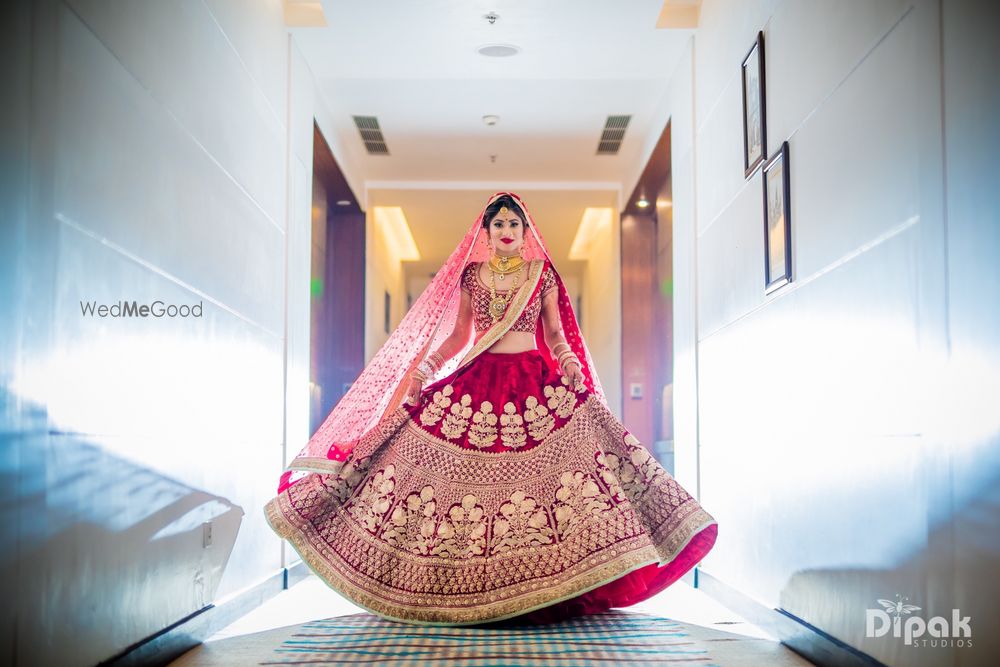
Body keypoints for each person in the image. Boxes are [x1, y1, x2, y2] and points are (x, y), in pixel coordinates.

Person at [264, 191, 718, 625]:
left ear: (525, 232)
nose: (505, 229)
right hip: (476, 381)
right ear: (486, 232)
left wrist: (568, 363)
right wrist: (428, 369)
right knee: (441, 474)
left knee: (559, 475)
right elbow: (462, 336)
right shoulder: (472, 276)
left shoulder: (541, 274)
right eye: (498, 223)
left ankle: (544, 587)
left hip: (533, 382)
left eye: (513, 223)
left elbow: (555, 334)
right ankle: (459, 587)